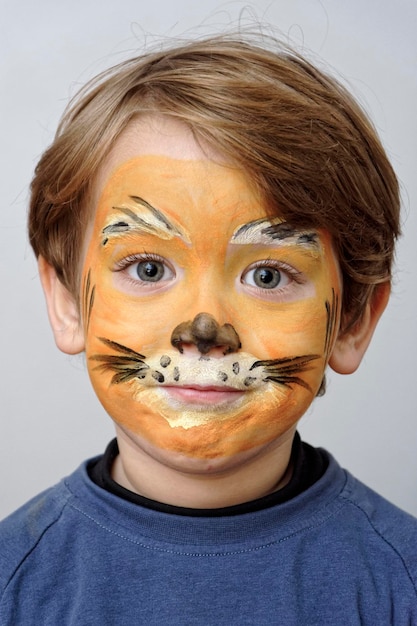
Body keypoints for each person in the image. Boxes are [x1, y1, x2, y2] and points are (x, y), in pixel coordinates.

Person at [1, 33, 416, 624]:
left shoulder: (401, 585)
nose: (204, 329)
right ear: (67, 303)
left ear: (352, 321)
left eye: (269, 276)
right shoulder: (12, 583)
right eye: (148, 268)